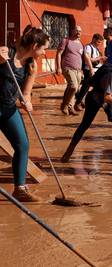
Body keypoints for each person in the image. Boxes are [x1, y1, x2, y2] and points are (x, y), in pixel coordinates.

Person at [0, 26, 49, 202]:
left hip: (8, 109)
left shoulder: (31, 66)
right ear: (35, 45)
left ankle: (19, 189)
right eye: (44, 48)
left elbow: (26, 93)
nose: (44, 52)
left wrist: (27, 103)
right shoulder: (6, 53)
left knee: (23, 145)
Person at [61, 60, 112, 164]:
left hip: (111, 99)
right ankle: (68, 152)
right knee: (85, 124)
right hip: (96, 97)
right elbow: (107, 97)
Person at [56, 25, 84, 116]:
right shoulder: (66, 41)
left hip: (78, 70)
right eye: (77, 30)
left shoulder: (80, 44)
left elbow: (81, 58)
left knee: (74, 89)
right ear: (72, 31)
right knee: (73, 86)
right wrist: (58, 67)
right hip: (67, 68)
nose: (79, 32)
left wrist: (82, 70)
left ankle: (70, 107)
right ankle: (65, 105)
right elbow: (59, 54)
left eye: (80, 31)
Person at [74, 33, 106, 111]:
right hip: (89, 70)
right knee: (86, 87)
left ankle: (88, 101)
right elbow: (88, 59)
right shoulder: (88, 47)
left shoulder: (96, 49)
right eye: (98, 42)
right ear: (94, 39)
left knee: (97, 86)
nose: (99, 44)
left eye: (100, 42)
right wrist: (100, 58)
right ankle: (77, 103)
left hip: (96, 70)